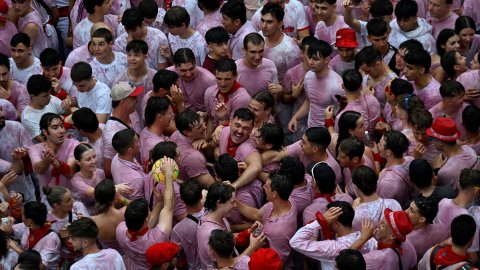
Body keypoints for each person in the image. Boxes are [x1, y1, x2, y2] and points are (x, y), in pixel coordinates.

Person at [116, 157, 174, 270]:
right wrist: (169, 174)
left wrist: (158, 204)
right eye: (149, 213)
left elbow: (147, 225)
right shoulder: (157, 238)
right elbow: (169, 207)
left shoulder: (120, 229)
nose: (150, 214)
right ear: (145, 220)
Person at [290, 201, 376, 270]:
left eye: (329, 217)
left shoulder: (332, 248)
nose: (327, 219)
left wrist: (320, 221)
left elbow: (295, 241)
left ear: (336, 224)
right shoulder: (368, 238)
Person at [235, 174, 297, 265]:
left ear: (274, 194)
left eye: (266, 186)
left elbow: (277, 264)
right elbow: (256, 214)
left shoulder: (279, 231)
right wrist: (234, 200)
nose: (263, 187)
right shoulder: (286, 201)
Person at [289, 39, 342, 130]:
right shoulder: (308, 76)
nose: (310, 62)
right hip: (311, 129)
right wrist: (295, 117)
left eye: (315, 59)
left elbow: (342, 112)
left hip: (328, 132)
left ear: (326, 60)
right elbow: (309, 101)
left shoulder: (336, 85)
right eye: (309, 57)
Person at [350, 209, 417, 270]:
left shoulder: (374, 258)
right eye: (381, 221)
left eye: (383, 225)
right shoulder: (409, 245)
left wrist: (363, 238)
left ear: (392, 236)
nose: (377, 225)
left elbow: (345, 262)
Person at [102, 82, 143, 178]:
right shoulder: (111, 134)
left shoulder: (132, 112)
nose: (136, 100)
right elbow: (108, 170)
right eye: (133, 98)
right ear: (123, 103)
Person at [29, 113, 79, 191]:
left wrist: (57, 163)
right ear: (45, 131)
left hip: (71, 198)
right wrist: (47, 161)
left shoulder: (73, 144)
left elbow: (70, 173)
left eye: (62, 126)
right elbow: (39, 169)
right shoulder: (34, 149)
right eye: (55, 128)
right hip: (47, 200)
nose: (62, 131)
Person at [327, 69, 381, 141]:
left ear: (343, 86)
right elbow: (367, 132)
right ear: (361, 86)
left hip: (357, 149)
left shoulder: (344, 116)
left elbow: (337, 140)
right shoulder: (373, 99)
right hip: (373, 142)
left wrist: (328, 120)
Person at [44, 186, 90, 268]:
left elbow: (92, 232)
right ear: (56, 205)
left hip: (86, 254)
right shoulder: (48, 221)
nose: (72, 201)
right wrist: (59, 237)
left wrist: (84, 223)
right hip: (66, 260)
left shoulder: (77, 207)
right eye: (68, 200)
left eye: (71, 197)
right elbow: (50, 249)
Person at [427, 117, 478, 188]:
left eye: (431, 138)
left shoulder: (444, 172)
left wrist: (437, 169)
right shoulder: (469, 149)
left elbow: (441, 190)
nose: (431, 141)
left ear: (440, 143)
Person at [0, 101, 35, 202]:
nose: (1, 114)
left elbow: (32, 151)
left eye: (0, 109)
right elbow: (16, 171)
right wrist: (16, 159)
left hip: (26, 191)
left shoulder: (16, 127)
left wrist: (24, 153)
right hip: (3, 203)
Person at [169, 110, 214, 188]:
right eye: (200, 127)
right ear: (187, 132)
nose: (205, 127)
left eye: (203, 123)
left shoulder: (177, 134)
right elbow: (212, 186)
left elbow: (209, 155)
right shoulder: (193, 157)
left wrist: (205, 143)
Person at [204, 58, 251, 133]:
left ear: (235, 76)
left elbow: (236, 130)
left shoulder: (242, 99)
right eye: (219, 79)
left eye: (227, 79)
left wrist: (223, 119)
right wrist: (206, 141)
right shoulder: (209, 92)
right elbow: (210, 119)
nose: (222, 83)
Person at [10, 202, 61, 269]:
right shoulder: (30, 226)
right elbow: (11, 230)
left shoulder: (51, 239)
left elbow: (40, 266)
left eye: (22, 215)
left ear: (29, 221)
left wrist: (17, 249)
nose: (21, 217)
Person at [196, 182, 236, 269]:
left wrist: (248, 233)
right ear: (219, 203)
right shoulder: (209, 233)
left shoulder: (220, 217)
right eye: (232, 202)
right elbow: (225, 266)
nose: (235, 205)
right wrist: (252, 247)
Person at [259, 3, 302, 82]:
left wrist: (282, 91)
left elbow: (296, 79)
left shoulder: (290, 49)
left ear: (280, 24)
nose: (264, 26)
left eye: (269, 22)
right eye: (262, 20)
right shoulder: (259, 37)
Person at [351, 166, 402, 231]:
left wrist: (353, 209)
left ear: (356, 187)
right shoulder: (394, 204)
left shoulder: (355, 215)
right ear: (376, 182)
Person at [170, 179, 205, 269]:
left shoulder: (178, 230)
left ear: (182, 199)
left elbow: (174, 258)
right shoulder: (215, 214)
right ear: (201, 196)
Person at [169, 48, 216, 112]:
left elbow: (215, 107)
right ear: (176, 67)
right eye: (183, 70)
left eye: (191, 69)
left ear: (195, 63)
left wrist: (206, 114)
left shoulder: (209, 80)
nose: (188, 74)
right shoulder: (167, 75)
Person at [21, 75, 65, 142]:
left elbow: (68, 112)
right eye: (45, 95)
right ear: (33, 96)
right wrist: (66, 122)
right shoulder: (27, 118)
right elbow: (45, 140)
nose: (49, 97)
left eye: (49, 93)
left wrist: (67, 107)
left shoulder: (51, 99)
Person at [405, 196, 450, 261]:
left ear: (422, 219)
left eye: (412, 210)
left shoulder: (408, 239)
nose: (406, 211)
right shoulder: (443, 228)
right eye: (408, 207)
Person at [376, 130, 415, 205]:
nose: (378, 145)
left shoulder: (386, 182)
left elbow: (383, 206)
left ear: (388, 152)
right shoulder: (411, 160)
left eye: (380, 144)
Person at [236, 33, 278, 97]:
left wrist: (280, 90)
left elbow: (275, 95)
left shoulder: (270, 65)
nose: (257, 57)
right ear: (244, 50)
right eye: (253, 52)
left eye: (261, 51)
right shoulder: (235, 68)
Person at [92, 179, 128, 253]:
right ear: (115, 197)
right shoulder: (125, 212)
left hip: (109, 257)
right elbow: (139, 206)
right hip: (126, 254)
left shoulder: (93, 221)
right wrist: (121, 198)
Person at [111, 129, 145, 200]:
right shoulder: (136, 180)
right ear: (130, 150)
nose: (140, 143)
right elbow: (137, 206)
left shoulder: (116, 157)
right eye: (137, 141)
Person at [139, 97, 174, 167]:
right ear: (160, 117)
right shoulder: (158, 146)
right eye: (170, 113)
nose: (173, 115)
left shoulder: (145, 130)